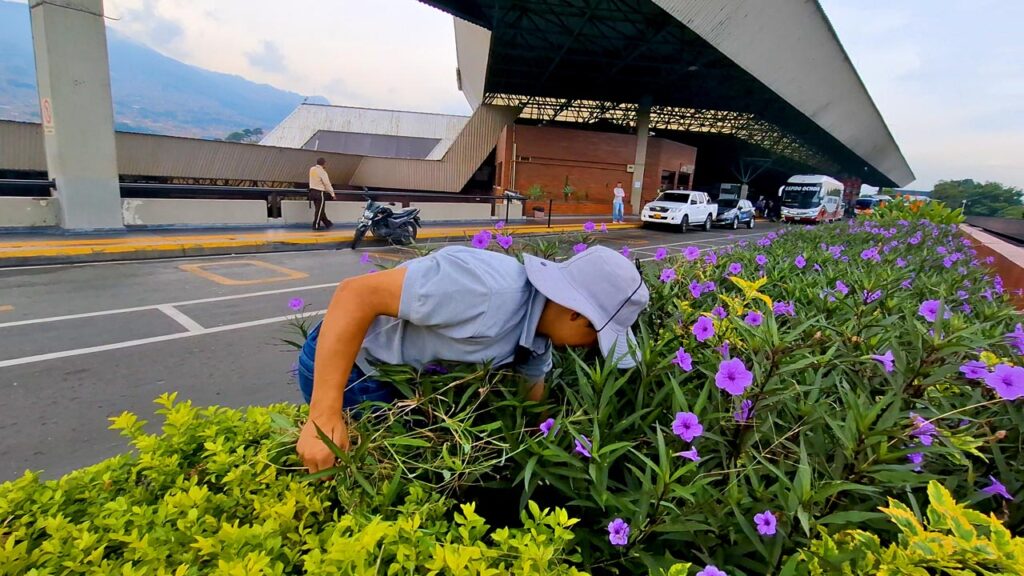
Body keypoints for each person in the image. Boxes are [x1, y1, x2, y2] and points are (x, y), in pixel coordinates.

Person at [295, 245, 650, 473]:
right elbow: (355, 294)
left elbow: (532, 393)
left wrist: (548, 449)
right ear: (576, 314)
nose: (591, 348)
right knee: (365, 470)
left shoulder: (540, 332)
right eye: (597, 336)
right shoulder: (484, 290)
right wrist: (323, 415)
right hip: (358, 367)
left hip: (400, 377)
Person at [308, 157, 335, 231]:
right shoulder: (322, 171)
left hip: (312, 192)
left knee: (320, 210)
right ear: (324, 163)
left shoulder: (312, 169)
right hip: (319, 193)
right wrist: (332, 194)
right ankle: (316, 225)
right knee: (319, 210)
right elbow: (327, 184)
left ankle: (328, 223)